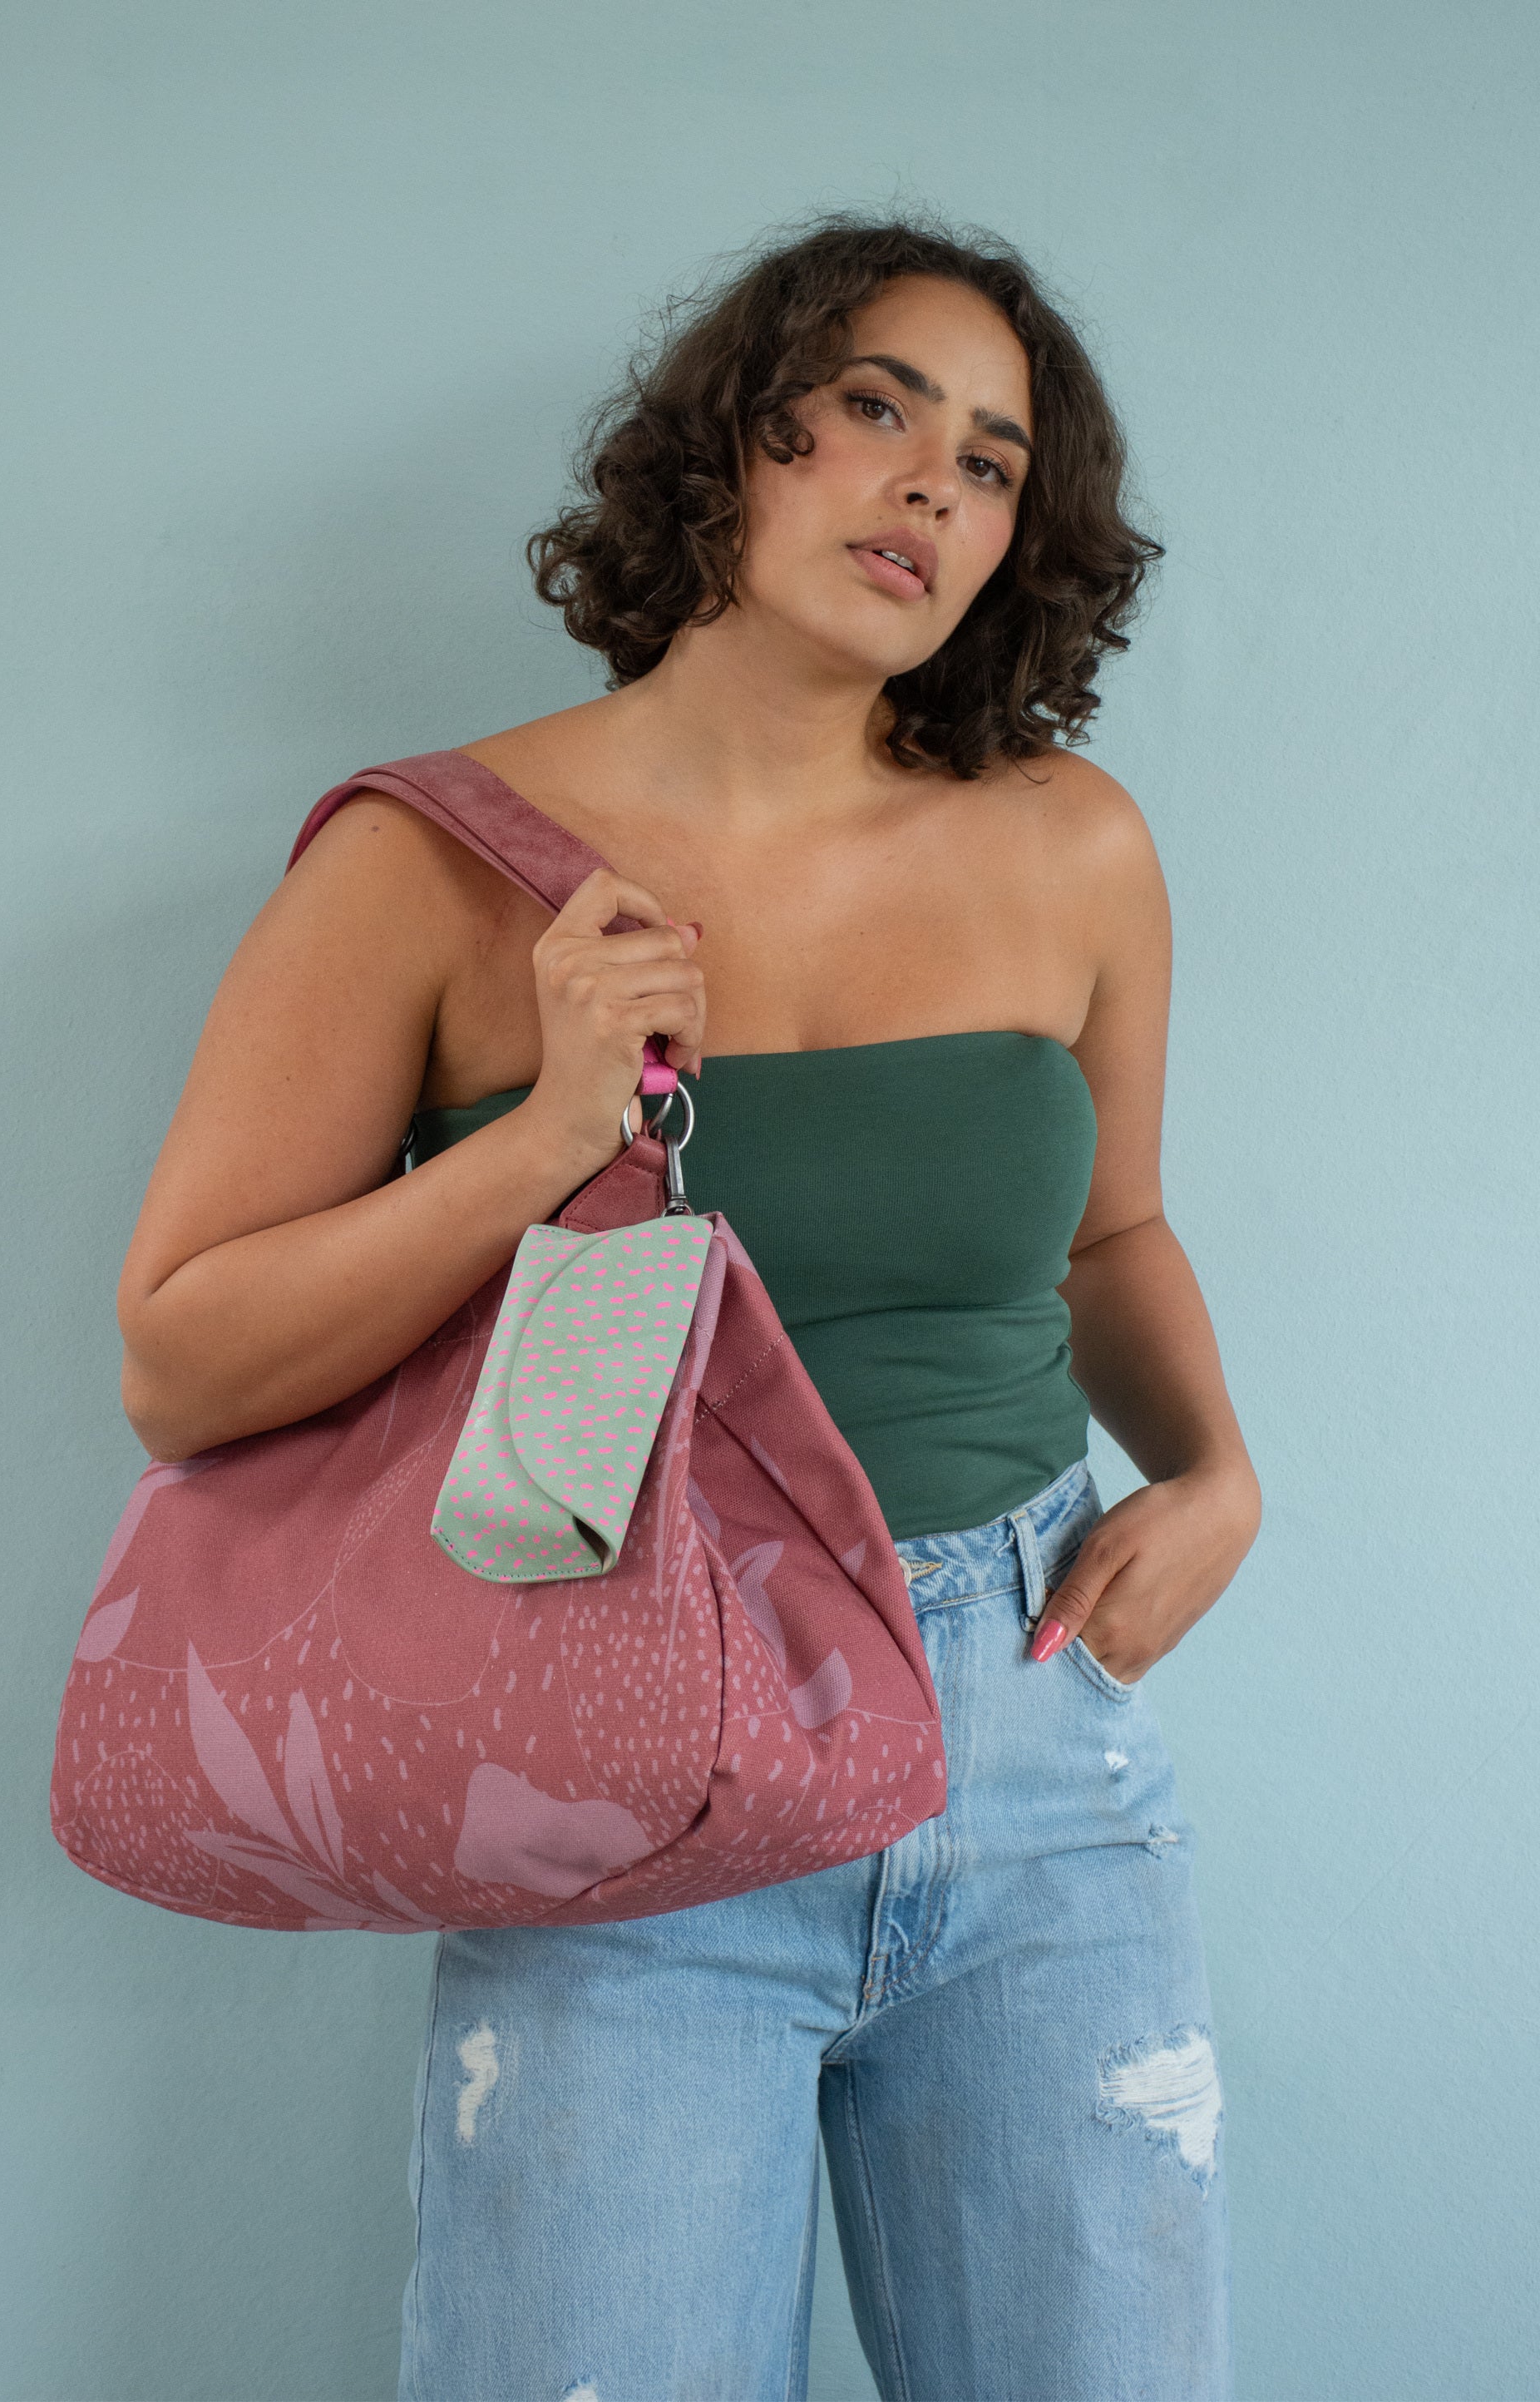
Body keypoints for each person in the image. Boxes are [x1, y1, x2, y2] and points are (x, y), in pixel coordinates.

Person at [117, 215, 1261, 2402]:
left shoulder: (1070, 845)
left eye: (992, 463)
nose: (929, 487)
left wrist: (1215, 1474)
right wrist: (549, 1132)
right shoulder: (437, 859)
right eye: (875, 409)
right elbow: (181, 1358)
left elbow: (1111, 1236)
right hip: (621, 1758)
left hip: (1038, 1746)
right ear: (738, 439)